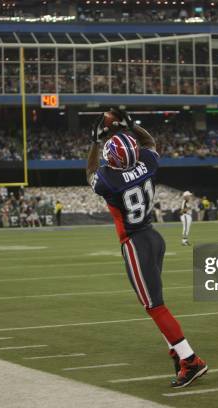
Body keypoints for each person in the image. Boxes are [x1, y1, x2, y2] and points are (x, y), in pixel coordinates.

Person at [86, 108, 207, 388]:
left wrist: (94, 142)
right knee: (155, 303)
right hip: (154, 237)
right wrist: (130, 126)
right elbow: (150, 144)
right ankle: (178, 351)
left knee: (155, 306)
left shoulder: (109, 180)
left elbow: (91, 171)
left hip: (135, 242)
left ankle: (190, 360)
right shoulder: (149, 162)